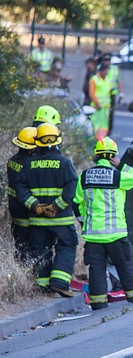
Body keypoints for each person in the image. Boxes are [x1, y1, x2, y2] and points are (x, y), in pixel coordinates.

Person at [73, 138, 133, 310]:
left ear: (96, 156)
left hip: (94, 235)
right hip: (115, 233)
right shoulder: (117, 176)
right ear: (113, 156)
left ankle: (98, 301)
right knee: (125, 263)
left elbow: (76, 202)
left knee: (96, 268)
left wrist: (83, 222)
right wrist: (121, 165)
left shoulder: (84, 176)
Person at [15, 123, 78, 296]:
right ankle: (59, 283)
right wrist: (56, 206)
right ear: (57, 142)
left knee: (40, 250)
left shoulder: (29, 164)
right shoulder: (65, 163)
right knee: (67, 246)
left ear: (37, 143)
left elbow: (19, 188)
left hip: (37, 220)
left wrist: (34, 205)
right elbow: (72, 186)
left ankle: (43, 286)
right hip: (61, 219)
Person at [7, 127, 38, 260]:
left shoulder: (12, 160)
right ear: (31, 148)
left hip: (14, 207)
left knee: (19, 241)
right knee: (27, 244)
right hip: (25, 209)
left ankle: (20, 264)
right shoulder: (29, 165)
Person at [100, 53, 123, 134]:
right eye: (105, 61)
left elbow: (119, 81)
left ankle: (108, 131)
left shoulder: (114, 69)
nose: (107, 62)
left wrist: (121, 93)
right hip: (102, 94)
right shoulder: (100, 69)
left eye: (108, 61)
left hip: (111, 94)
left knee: (110, 114)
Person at [88, 63, 111, 140]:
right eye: (106, 71)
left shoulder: (107, 80)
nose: (107, 73)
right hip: (96, 108)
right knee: (95, 126)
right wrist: (97, 103)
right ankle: (94, 141)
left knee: (104, 127)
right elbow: (92, 93)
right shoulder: (94, 79)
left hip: (105, 109)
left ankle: (102, 141)